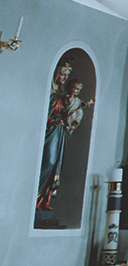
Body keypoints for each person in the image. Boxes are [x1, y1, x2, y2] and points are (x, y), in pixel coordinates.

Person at [36, 78, 93, 213]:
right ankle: (36, 192)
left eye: (79, 89)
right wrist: (51, 122)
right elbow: (46, 114)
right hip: (52, 132)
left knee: (55, 164)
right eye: (75, 88)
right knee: (48, 161)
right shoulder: (57, 98)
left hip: (60, 133)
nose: (77, 91)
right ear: (69, 87)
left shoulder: (76, 102)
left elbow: (73, 119)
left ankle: (44, 199)